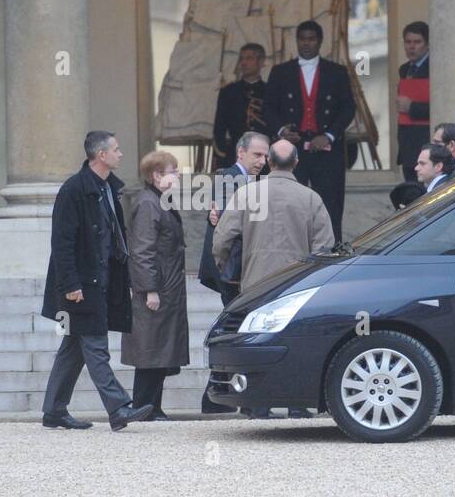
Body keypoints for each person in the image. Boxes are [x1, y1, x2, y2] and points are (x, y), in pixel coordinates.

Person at [39, 131, 152, 431]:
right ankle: (118, 408)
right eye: (116, 149)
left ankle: (53, 411)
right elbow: (61, 244)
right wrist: (71, 285)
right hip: (81, 286)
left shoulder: (108, 189)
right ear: (101, 155)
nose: (121, 154)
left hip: (100, 283)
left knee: (72, 350)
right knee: (95, 347)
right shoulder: (73, 190)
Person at [214, 139, 334, 420]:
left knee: (256, 341)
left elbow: (222, 238)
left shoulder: (246, 194)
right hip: (298, 284)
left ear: (269, 162)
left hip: (255, 281)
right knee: (298, 341)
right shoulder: (310, 198)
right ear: (296, 162)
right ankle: (296, 402)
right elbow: (325, 246)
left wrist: (227, 271)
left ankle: (258, 404)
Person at [262, 20, 356, 240]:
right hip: (292, 149)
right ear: (297, 41)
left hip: (327, 149)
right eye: (302, 38)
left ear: (320, 41)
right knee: (290, 203)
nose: (306, 43)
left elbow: (348, 108)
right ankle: (292, 254)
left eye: (311, 38)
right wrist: (281, 130)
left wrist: (330, 135)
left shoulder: (337, 72)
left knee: (331, 204)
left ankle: (333, 253)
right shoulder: (280, 72)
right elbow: (268, 107)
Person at [198, 131, 269, 414]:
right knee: (240, 334)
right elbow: (232, 227)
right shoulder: (229, 178)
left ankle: (220, 399)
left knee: (238, 332)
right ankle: (227, 399)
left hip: (239, 272)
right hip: (232, 273)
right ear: (241, 153)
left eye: (265, 155)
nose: (262, 161)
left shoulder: (251, 181)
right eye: (256, 155)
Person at [121, 151, 188, 422]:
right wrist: (149, 289)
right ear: (157, 175)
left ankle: (152, 406)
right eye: (173, 170)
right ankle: (144, 405)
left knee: (159, 348)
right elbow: (142, 250)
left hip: (167, 286)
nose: (178, 174)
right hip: (156, 288)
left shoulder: (159, 201)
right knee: (150, 349)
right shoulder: (149, 204)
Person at [212, 44, 270, 170]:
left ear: (261, 62)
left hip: (265, 158)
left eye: (249, 58)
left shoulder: (271, 91)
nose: (243, 63)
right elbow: (219, 128)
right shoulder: (228, 92)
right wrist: (222, 157)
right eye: (241, 59)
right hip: (235, 156)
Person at [395, 21, 431, 182]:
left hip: (425, 142)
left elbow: (441, 105)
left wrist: (412, 107)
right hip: (407, 144)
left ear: (427, 44)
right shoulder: (404, 69)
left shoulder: (434, 67)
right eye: (408, 42)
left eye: (417, 42)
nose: (411, 47)